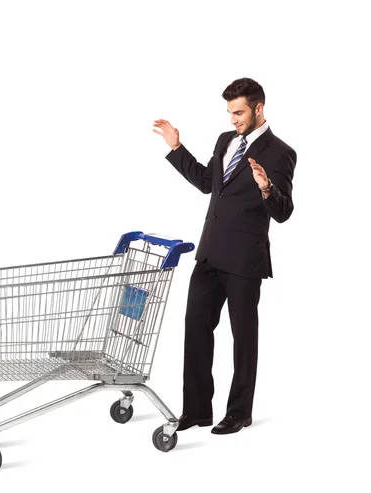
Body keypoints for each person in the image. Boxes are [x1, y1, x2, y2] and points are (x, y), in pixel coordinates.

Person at [152, 78, 296, 434]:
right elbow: (207, 183)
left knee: (243, 338)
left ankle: (239, 412)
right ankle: (197, 409)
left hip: (245, 260)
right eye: (230, 112)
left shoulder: (280, 153)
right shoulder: (225, 141)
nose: (233, 119)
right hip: (210, 254)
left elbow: (283, 211)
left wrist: (267, 188)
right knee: (195, 329)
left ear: (258, 108)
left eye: (239, 112)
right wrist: (176, 148)